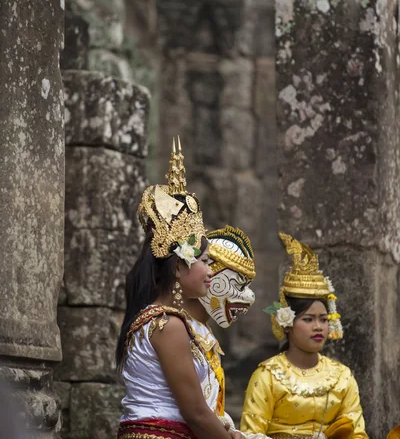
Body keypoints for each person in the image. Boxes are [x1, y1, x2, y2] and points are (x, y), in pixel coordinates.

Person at [115, 138, 236, 439]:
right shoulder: (167, 324)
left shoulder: (153, 317)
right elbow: (195, 413)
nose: (210, 271)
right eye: (206, 261)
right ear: (179, 267)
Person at [240, 233, 368, 439]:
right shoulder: (267, 377)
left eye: (324, 320)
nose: (318, 327)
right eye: (308, 320)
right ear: (287, 324)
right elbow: (250, 435)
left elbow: (358, 434)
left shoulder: (342, 377)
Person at [185, 225, 257, 433]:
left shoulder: (204, 333)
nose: (249, 298)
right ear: (210, 276)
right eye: (239, 285)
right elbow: (195, 413)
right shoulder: (174, 326)